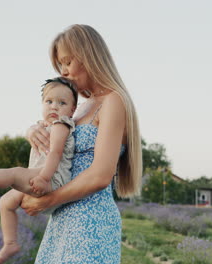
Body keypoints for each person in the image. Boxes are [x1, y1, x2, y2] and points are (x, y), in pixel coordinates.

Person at [21, 24, 142, 263]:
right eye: (60, 65)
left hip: (91, 222)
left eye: (67, 62)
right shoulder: (82, 108)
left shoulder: (113, 100)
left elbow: (100, 175)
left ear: (89, 57)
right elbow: (57, 140)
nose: (63, 72)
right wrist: (32, 131)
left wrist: (47, 201)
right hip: (63, 219)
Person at [0, 77, 78, 264]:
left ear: (72, 110)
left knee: (15, 173)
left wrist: (44, 177)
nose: (54, 107)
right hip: (41, 176)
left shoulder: (61, 126)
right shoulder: (44, 126)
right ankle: (10, 243)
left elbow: (55, 153)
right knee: (5, 202)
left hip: (53, 179)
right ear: (42, 104)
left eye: (62, 103)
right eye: (49, 102)